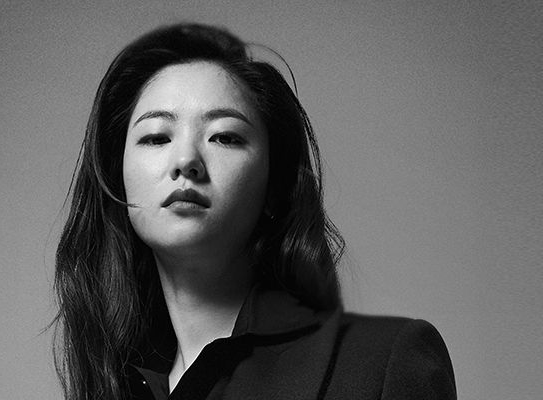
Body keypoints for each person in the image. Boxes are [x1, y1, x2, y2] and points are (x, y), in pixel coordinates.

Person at [52, 23, 457, 400]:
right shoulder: (115, 385)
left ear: (275, 186)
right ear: (117, 177)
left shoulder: (385, 362)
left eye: (224, 137)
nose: (186, 160)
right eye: (157, 137)